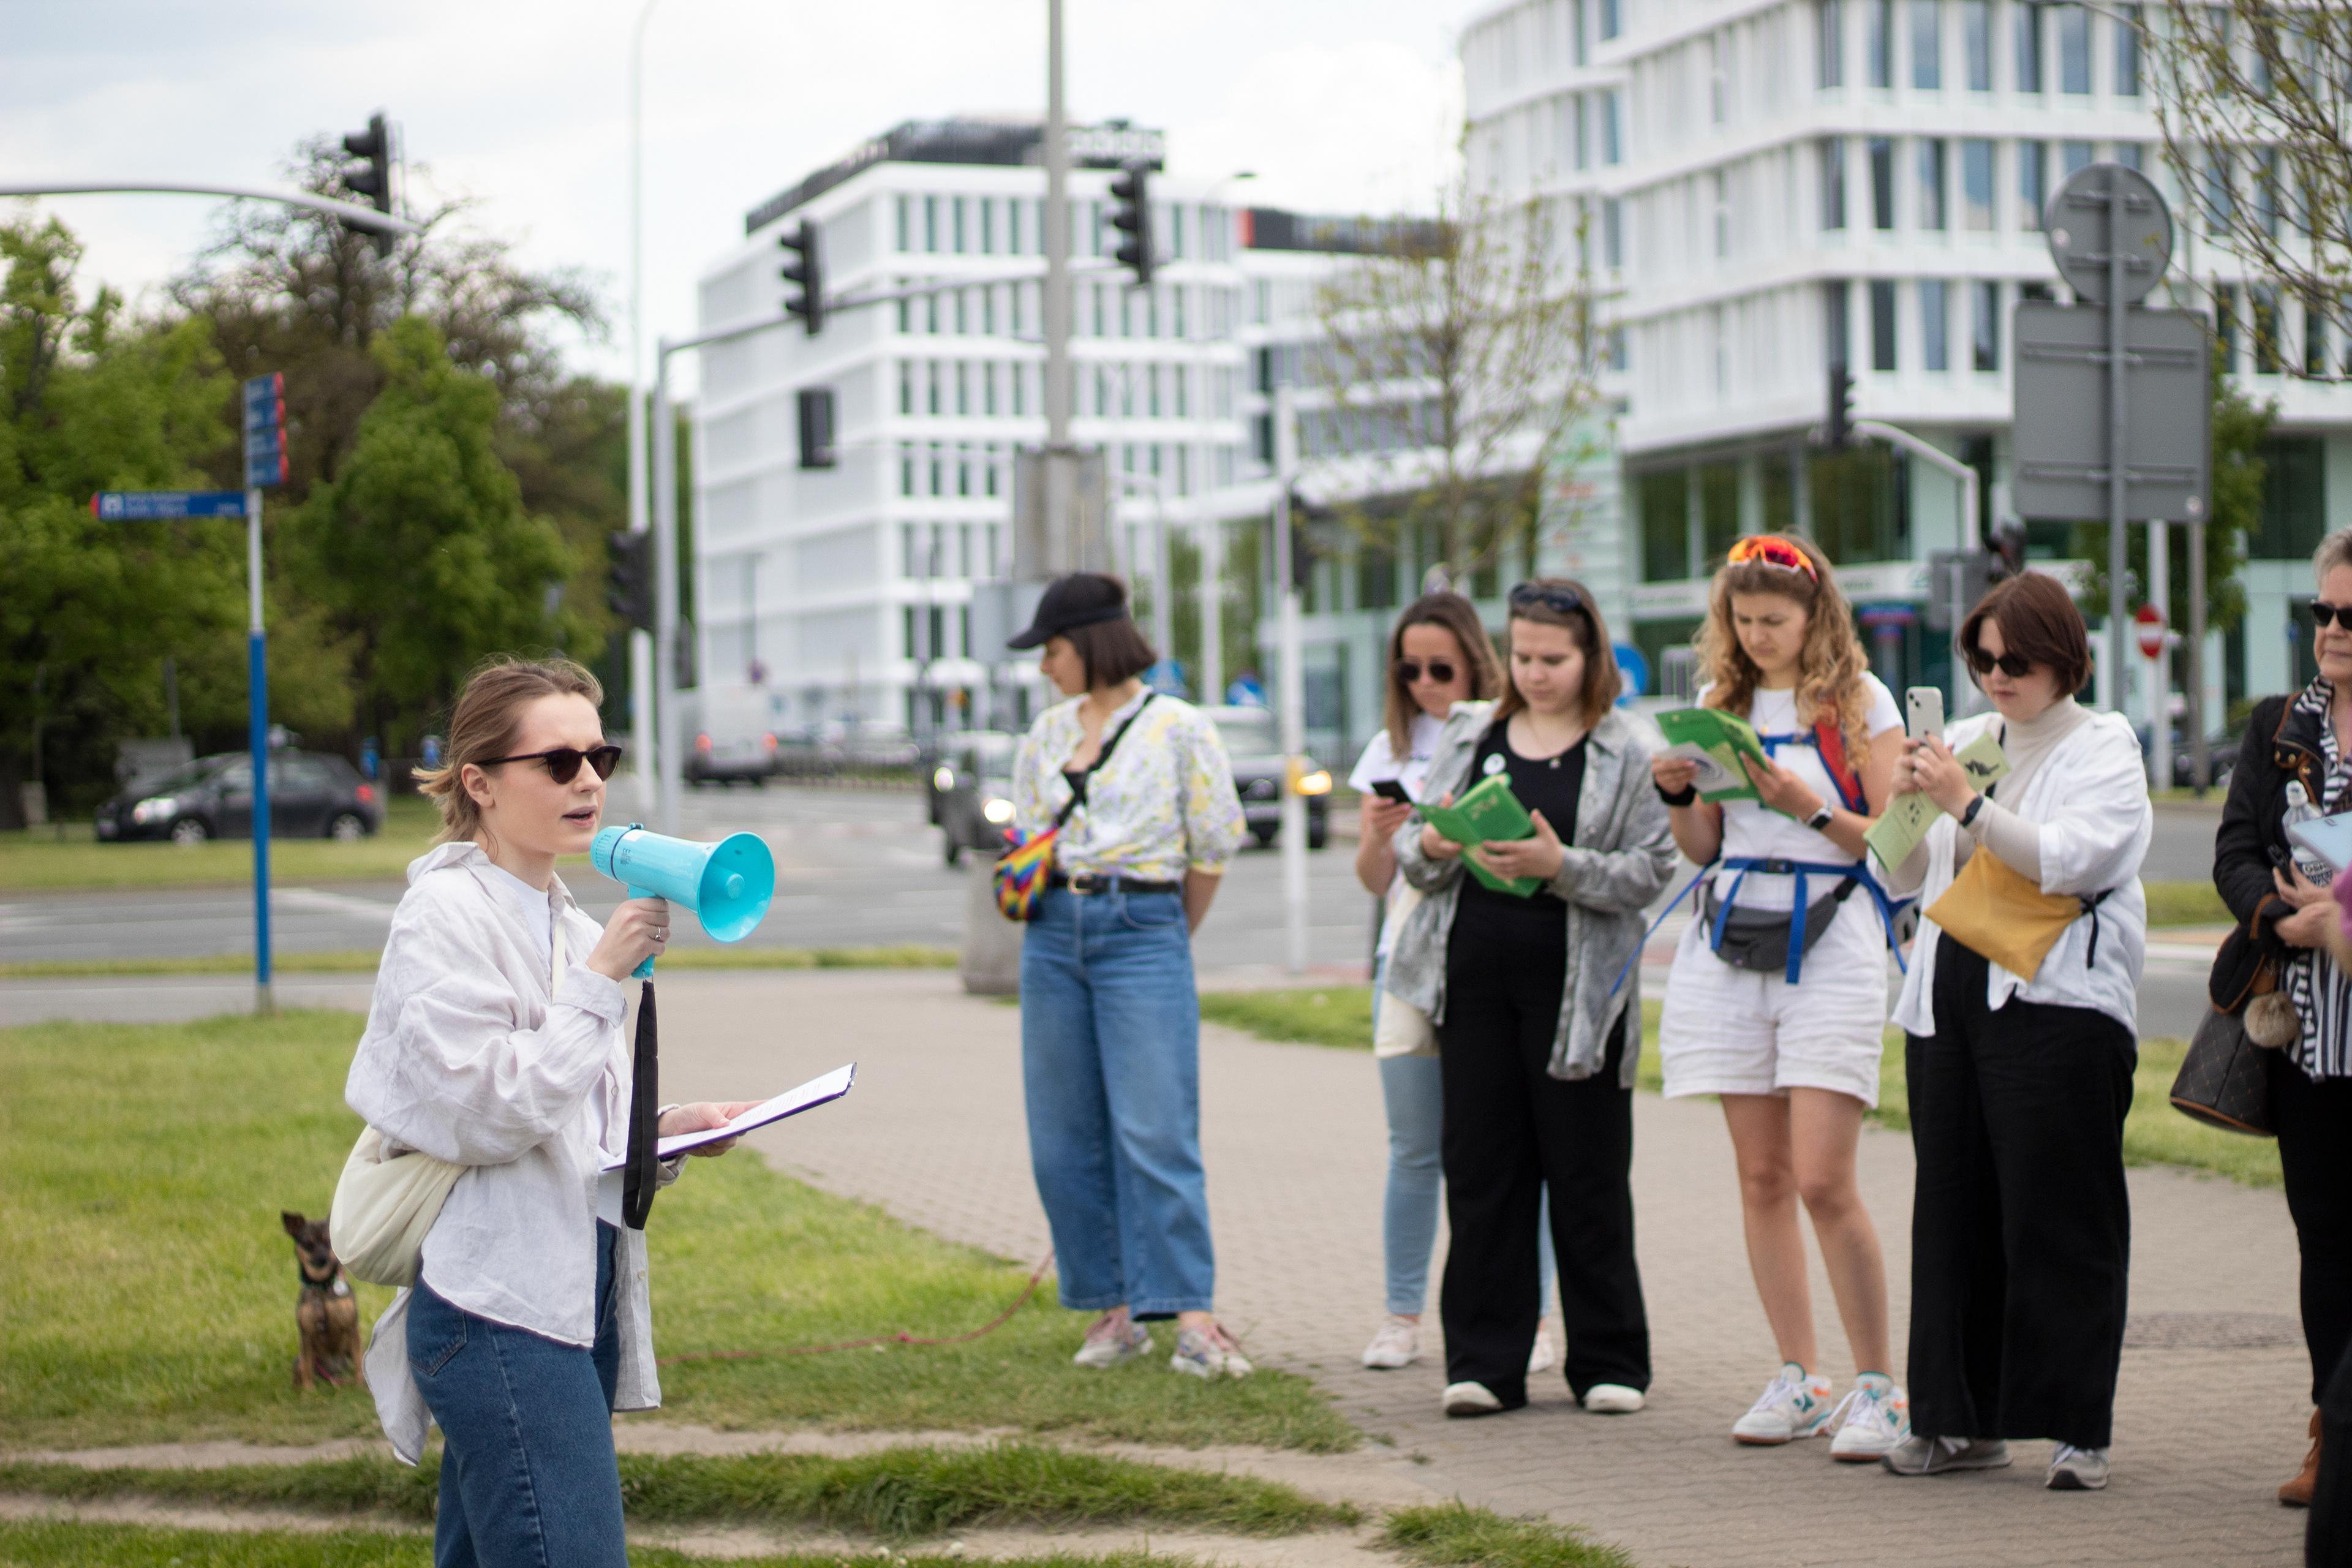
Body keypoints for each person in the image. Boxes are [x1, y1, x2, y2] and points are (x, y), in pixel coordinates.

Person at [347, 656, 756, 1568]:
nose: (588, 782)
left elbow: (573, 1120)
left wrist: (668, 1131)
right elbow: (487, 1110)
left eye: (600, 758)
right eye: (559, 762)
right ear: (479, 783)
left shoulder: (569, 924)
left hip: (573, 1296)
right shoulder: (442, 917)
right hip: (501, 1310)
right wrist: (602, 981)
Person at [1877, 572, 2151, 1491]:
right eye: (1983, 658)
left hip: (2058, 1000)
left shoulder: (2103, 744)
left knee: (2059, 1215)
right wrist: (1908, 799)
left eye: (2017, 660)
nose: (1998, 675)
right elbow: (1898, 870)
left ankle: (2076, 1427)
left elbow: (2076, 857)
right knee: (1950, 1213)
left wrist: (1967, 803)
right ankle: (1955, 1421)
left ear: (2064, 659)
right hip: (1948, 993)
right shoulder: (1965, 741)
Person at [1384, 579, 1675, 1418]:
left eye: (1553, 658)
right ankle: (1484, 1363)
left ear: (1591, 657)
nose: (1536, 674)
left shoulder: (1628, 746)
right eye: (1522, 656)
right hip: (1473, 980)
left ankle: (1609, 1361)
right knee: (1482, 1170)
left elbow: (1652, 870)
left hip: (1581, 991)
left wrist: (1561, 867)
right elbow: (1415, 853)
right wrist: (1434, 839)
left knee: (1587, 1174)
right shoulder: (1472, 731)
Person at [1650, 533, 1910, 1461]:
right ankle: (1800, 1375)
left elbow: (1899, 844)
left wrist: (1807, 805)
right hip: (1731, 938)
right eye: (1743, 619)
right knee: (1760, 1176)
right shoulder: (1716, 704)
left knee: (1822, 1178)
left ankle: (1881, 1386)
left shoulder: (1860, 702)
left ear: (1815, 616)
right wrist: (1677, 795)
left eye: (1775, 619)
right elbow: (1703, 847)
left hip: (1832, 939)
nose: (1758, 635)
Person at [1006, 573, 1251, 1378]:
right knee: (1062, 1135)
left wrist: (1166, 935)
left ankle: (1193, 1316)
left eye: (1053, 649)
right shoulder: (1045, 734)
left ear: (1091, 644)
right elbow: (1026, 835)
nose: (1045, 666)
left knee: (1156, 1129)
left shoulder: (1180, 728)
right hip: (1052, 933)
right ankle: (1112, 1309)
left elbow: (1212, 846)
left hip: (1144, 926)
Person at [1349, 594, 1559, 1374]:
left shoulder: (1509, 735)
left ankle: (1537, 1318)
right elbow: (1375, 880)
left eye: (1442, 669)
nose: (1426, 685)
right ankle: (1401, 1316)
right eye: (1410, 670)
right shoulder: (1389, 749)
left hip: (1493, 952)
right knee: (1414, 1148)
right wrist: (1382, 838)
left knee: (1517, 1148)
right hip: (1409, 959)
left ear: (1476, 662)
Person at [2214, 527, 2352, 1510]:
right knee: (2326, 1242)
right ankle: (2332, 1434)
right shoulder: (2278, 726)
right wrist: (2277, 916)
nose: (2333, 630)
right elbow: (2232, 852)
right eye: (2323, 612)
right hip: (2309, 1031)